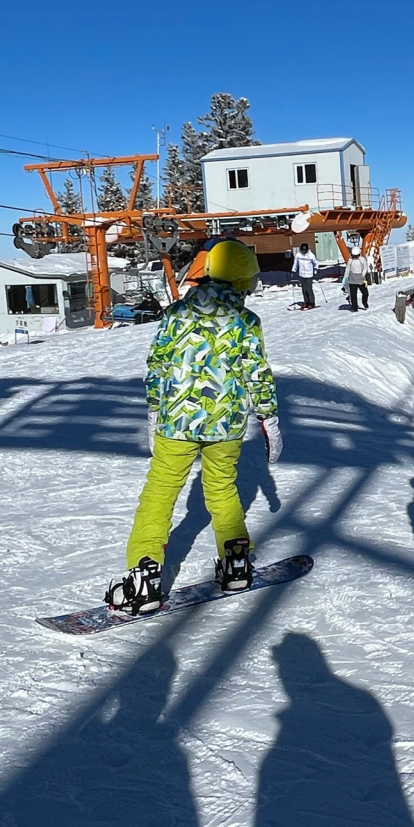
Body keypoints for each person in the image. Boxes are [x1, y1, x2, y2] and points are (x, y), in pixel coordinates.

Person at [110, 239, 281, 614]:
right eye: (250, 280)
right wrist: (268, 416)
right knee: (222, 491)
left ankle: (142, 579)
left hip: (176, 424)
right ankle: (236, 563)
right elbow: (257, 374)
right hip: (227, 425)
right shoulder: (246, 322)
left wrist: (154, 409)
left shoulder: (176, 314)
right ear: (240, 281)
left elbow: (157, 365)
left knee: (160, 495)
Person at [291, 242, 318, 310]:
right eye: (302, 251)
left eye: (305, 251)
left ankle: (311, 303)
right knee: (304, 289)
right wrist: (293, 270)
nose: (303, 252)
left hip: (309, 275)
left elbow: (316, 263)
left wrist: (315, 269)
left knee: (309, 289)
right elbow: (296, 263)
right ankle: (306, 302)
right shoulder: (298, 255)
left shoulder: (311, 255)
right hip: (301, 274)